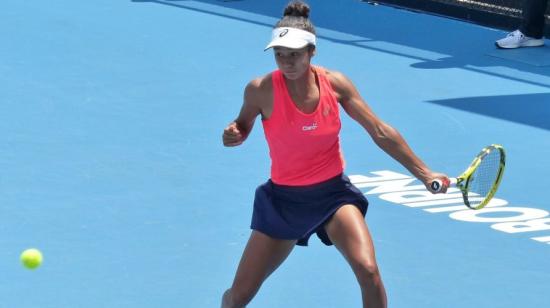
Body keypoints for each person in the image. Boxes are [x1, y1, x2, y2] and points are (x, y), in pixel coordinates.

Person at [221, 1, 449, 307]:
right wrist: (234, 132)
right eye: (280, 55)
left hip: (333, 196)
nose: (286, 63)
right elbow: (243, 123)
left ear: (312, 52)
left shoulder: (335, 84)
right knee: (239, 296)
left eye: (294, 55)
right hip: (284, 202)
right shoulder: (260, 89)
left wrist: (424, 173)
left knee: (368, 271)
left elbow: (379, 130)